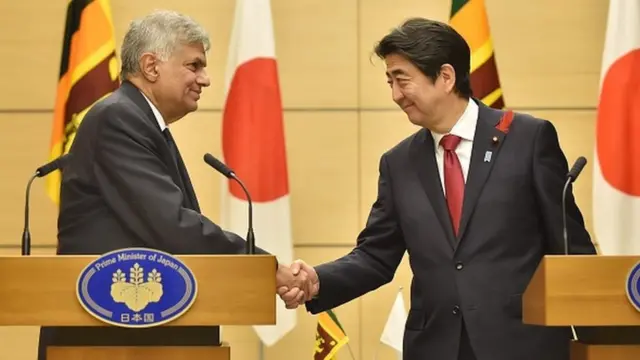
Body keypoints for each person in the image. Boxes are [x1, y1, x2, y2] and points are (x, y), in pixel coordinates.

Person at [278, 18, 596, 360]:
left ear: (445, 77)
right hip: (436, 347)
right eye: (390, 82)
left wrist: (604, 339)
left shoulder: (528, 139)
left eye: (402, 80)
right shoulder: (398, 163)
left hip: (522, 344)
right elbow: (376, 256)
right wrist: (316, 281)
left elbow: (570, 249)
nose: (395, 95)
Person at [38, 10, 305, 360]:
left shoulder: (139, 120)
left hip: (137, 333)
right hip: (110, 335)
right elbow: (171, 225)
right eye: (194, 66)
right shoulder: (119, 119)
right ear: (151, 67)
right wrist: (260, 266)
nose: (205, 79)